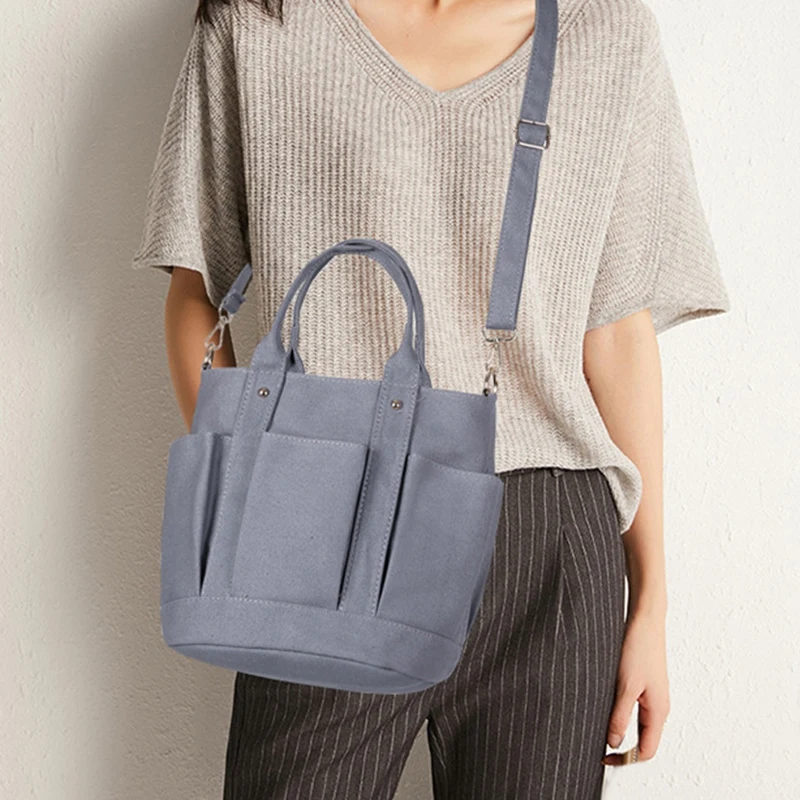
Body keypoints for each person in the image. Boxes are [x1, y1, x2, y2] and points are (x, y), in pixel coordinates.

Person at [131, 0, 731, 797]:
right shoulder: (262, 23)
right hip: (323, 523)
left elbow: (617, 331)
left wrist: (650, 601)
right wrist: (258, 494)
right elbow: (198, 289)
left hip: (547, 540)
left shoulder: (604, 32)